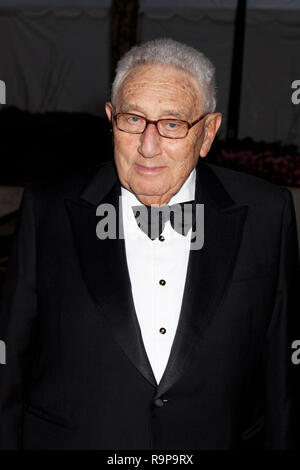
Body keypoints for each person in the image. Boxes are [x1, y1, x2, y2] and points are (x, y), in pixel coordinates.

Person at [0, 38, 299, 450]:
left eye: (173, 124)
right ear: (110, 118)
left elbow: (282, 373)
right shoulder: (47, 209)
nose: (148, 145)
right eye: (133, 119)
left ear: (208, 133)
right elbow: (9, 362)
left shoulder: (268, 213)